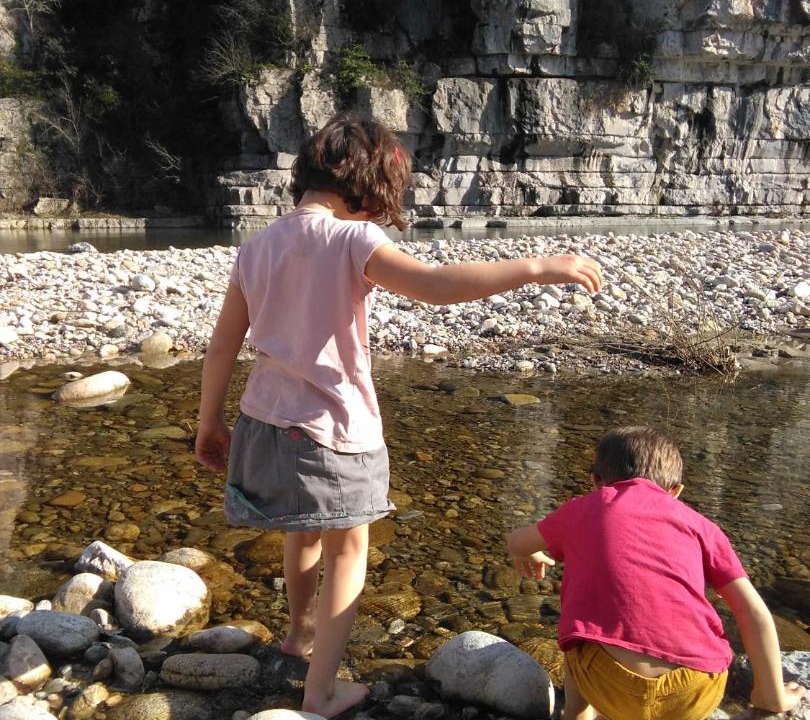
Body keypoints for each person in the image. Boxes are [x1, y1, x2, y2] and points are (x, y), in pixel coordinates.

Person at [195, 112, 603, 718]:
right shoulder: (353, 240)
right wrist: (536, 267)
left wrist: (209, 422)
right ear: (366, 187)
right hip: (333, 431)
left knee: (303, 532)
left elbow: (223, 344)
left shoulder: (257, 246)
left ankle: (300, 635)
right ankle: (320, 692)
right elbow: (436, 284)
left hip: (263, 424)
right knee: (348, 549)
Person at [507, 425, 806, 720]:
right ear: (676, 491)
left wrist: (530, 552)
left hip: (609, 683)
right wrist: (771, 695)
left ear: (597, 480)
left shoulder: (582, 508)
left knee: (580, 631)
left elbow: (515, 541)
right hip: (695, 690)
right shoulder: (702, 526)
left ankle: (577, 715)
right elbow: (753, 612)